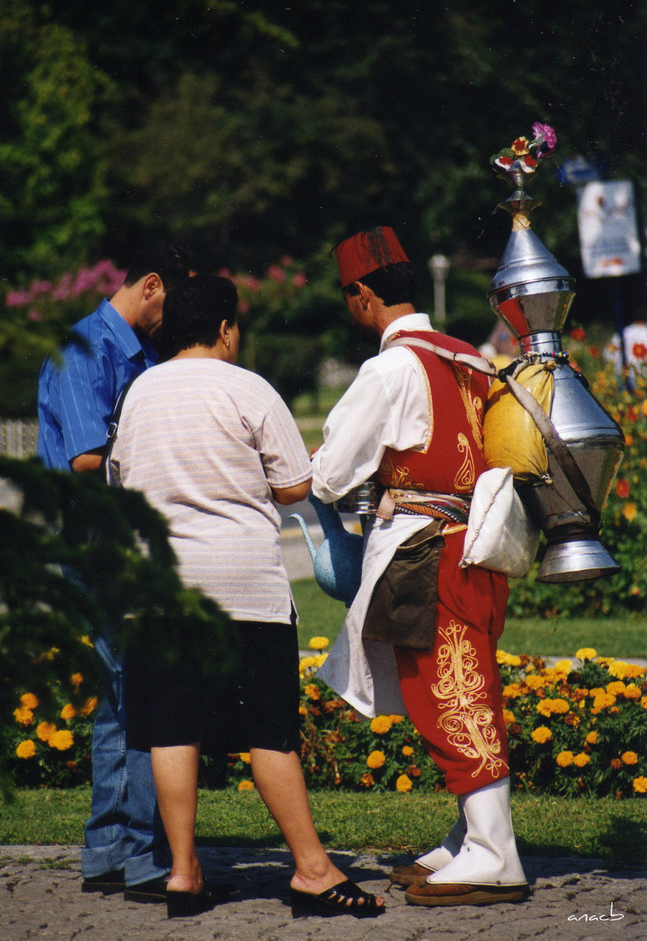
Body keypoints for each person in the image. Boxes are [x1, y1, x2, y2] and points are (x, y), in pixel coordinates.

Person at [108, 273, 384, 919]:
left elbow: (121, 484)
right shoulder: (249, 389)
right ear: (227, 329)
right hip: (243, 591)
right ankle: (313, 870)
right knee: (269, 732)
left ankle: (182, 872)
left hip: (157, 591)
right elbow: (295, 487)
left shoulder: (139, 394)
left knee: (173, 731)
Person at [311, 227, 529, 908]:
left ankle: (494, 856)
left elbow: (329, 474)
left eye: (349, 296)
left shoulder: (390, 367)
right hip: (479, 541)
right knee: (467, 688)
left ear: (362, 295)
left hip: (424, 550)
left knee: (449, 696)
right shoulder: (466, 356)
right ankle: (469, 841)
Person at [37, 241, 204, 900]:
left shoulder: (142, 355)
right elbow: (84, 458)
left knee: (118, 700)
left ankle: (105, 851)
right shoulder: (84, 349)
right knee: (142, 696)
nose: (182, 312)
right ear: (152, 286)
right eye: (178, 297)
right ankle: (140, 855)